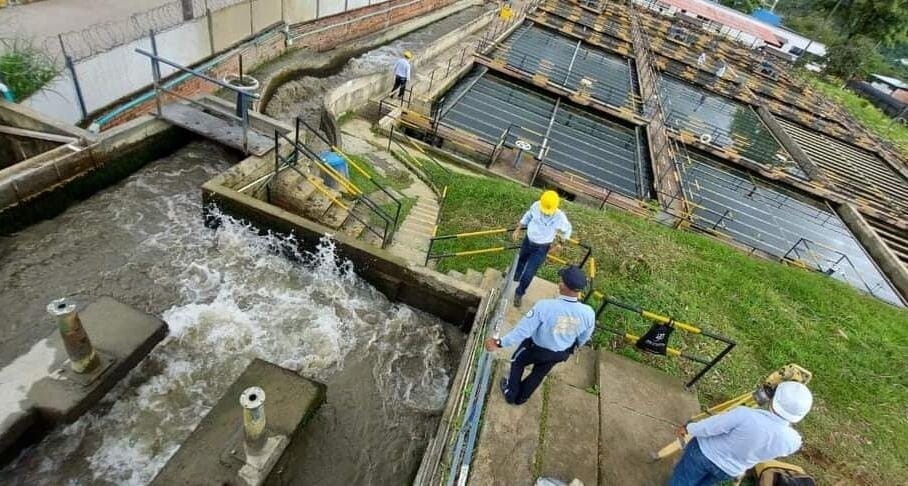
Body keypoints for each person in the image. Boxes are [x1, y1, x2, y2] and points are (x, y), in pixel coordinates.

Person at [484, 266, 595, 405]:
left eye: (561, 281)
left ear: (563, 286)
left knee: (517, 362)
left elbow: (522, 331)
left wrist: (499, 343)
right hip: (560, 353)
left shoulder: (545, 307)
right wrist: (573, 347)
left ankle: (511, 394)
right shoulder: (589, 312)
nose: (559, 283)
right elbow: (584, 336)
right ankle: (521, 399)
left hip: (536, 348)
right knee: (538, 374)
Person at [669, 381, 813, 486]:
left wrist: (689, 429)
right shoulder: (793, 441)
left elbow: (711, 427)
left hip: (703, 453)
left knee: (682, 481)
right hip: (729, 470)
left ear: (773, 398)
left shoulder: (745, 415)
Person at [511, 190, 572, 307]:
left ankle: (519, 293)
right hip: (527, 241)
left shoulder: (560, 217)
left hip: (541, 248)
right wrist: (518, 228)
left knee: (529, 273)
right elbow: (528, 215)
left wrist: (560, 243)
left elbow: (567, 230)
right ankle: (516, 275)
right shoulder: (536, 205)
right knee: (521, 259)